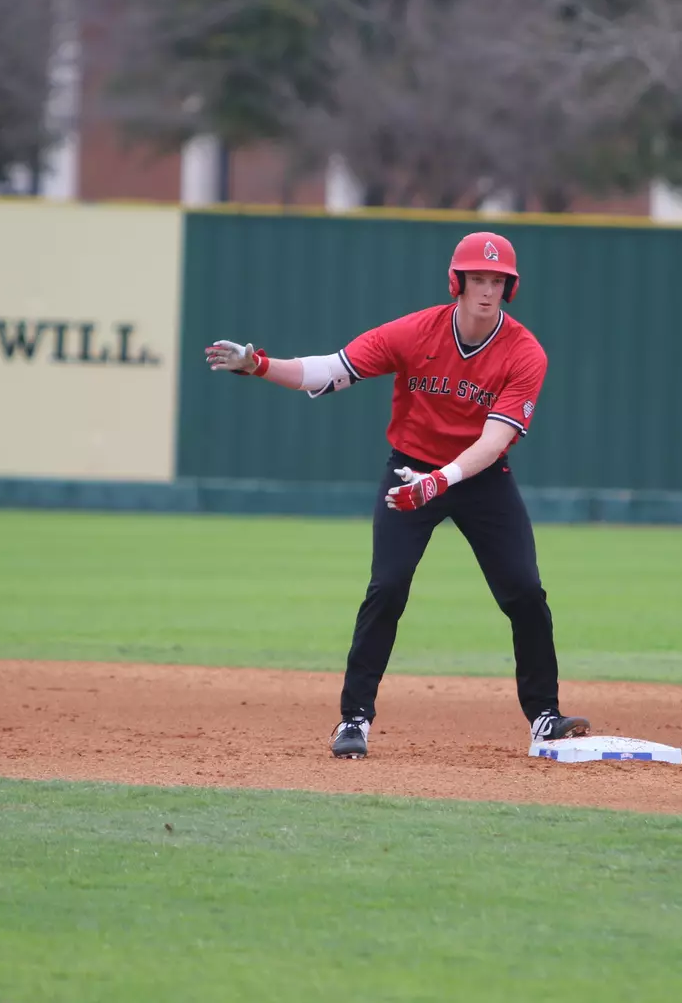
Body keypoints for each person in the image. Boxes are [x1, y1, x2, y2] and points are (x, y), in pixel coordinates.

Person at [205, 231, 590, 759]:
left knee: (524, 591)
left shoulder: (525, 353)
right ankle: (354, 719)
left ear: (510, 288)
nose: (487, 290)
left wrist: (442, 480)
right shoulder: (416, 332)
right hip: (409, 470)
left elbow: (495, 439)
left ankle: (544, 717)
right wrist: (260, 365)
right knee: (387, 587)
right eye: (478, 278)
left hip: (480, 478)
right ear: (457, 282)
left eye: (498, 281)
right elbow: (331, 370)